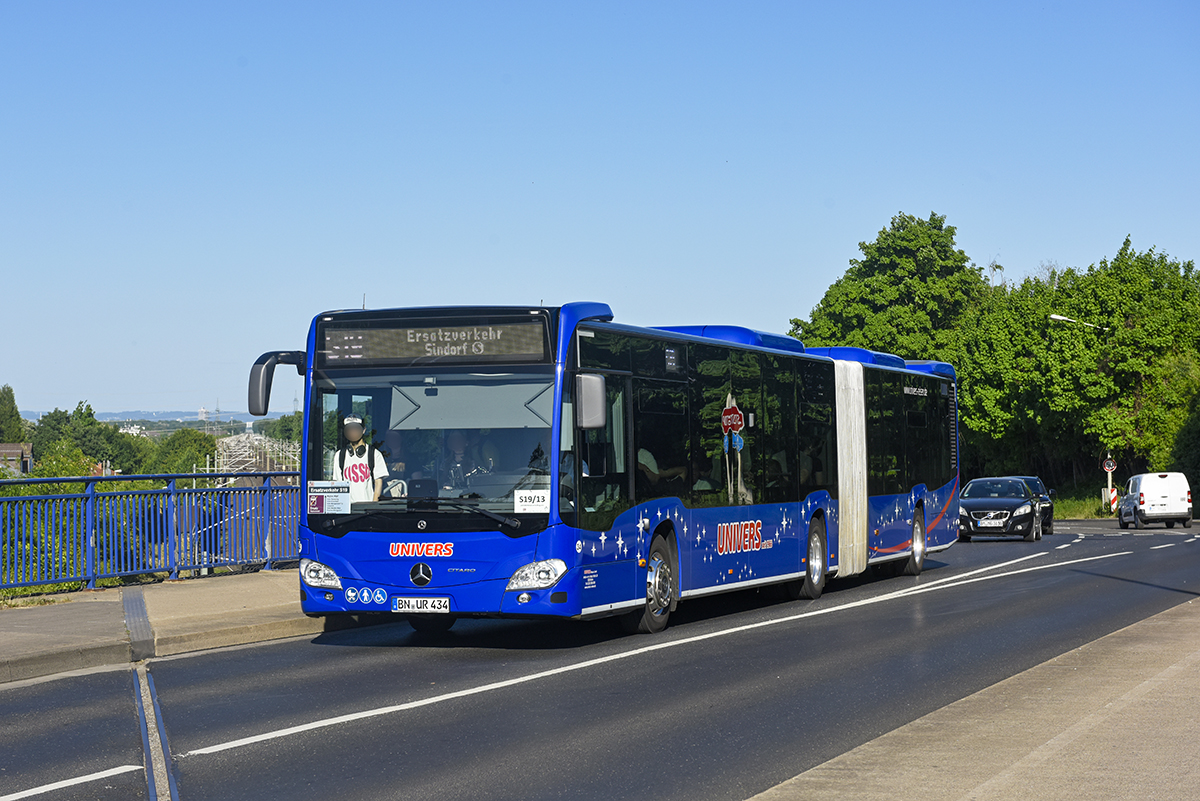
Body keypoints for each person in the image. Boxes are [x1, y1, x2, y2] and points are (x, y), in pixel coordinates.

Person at [332, 415, 388, 505]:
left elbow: (378, 482)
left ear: (363, 430)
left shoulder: (374, 454)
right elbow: (338, 484)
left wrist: (373, 506)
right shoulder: (339, 455)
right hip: (347, 508)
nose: (352, 432)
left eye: (356, 429)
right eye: (349, 429)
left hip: (368, 508)